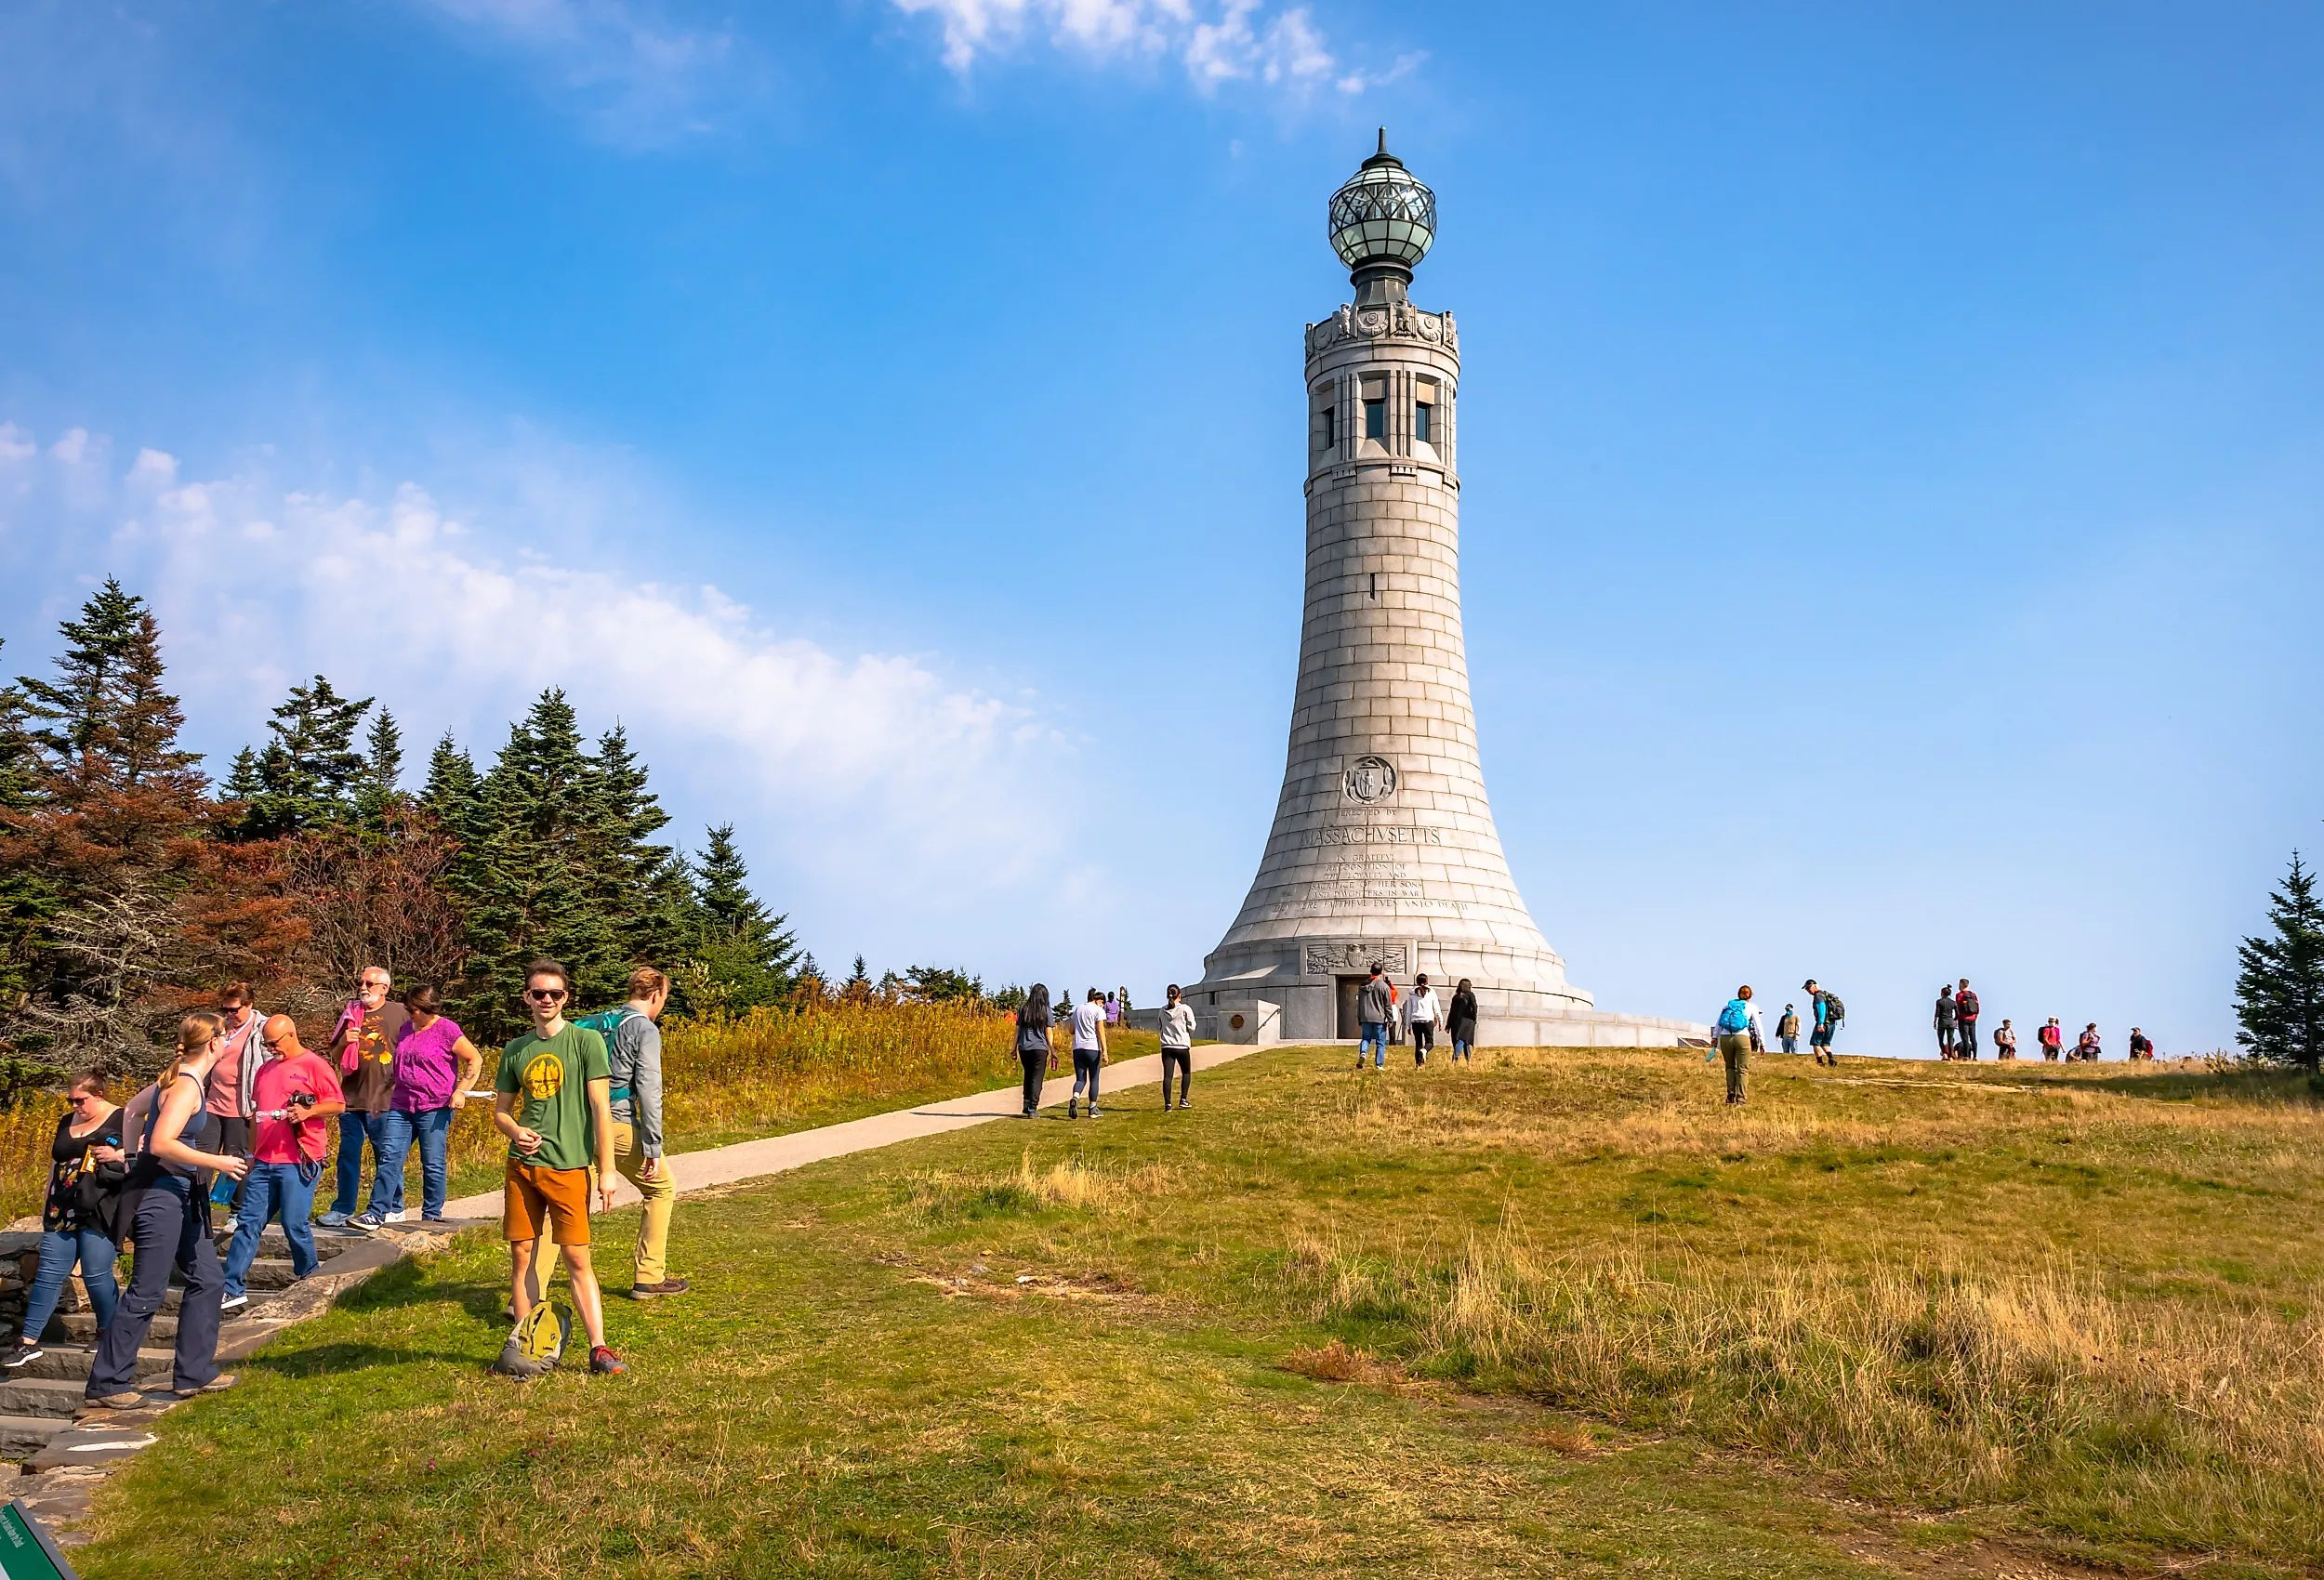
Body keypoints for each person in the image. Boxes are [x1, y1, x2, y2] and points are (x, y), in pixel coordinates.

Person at [85, 1013, 248, 1407]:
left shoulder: (174, 1077)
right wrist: (216, 1162)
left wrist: (126, 1156)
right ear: (213, 1043)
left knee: (208, 1279)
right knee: (148, 1289)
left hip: (182, 1191)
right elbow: (160, 1142)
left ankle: (193, 1373)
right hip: (160, 1193)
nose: (228, 1043)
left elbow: (130, 1113)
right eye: (225, 1037)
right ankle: (107, 1383)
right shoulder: (186, 1085)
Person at [494, 959, 623, 1376]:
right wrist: (515, 1131)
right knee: (522, 1253)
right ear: (526, 998)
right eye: (538, 993)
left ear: (566, 998)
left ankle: (599, 1348)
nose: (546, 1000)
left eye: (555, 994)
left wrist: (607, 1170)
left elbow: (602, 1108)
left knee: (576, 1257)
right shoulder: (515, 1049)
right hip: (522, 1167)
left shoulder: (586, 1042)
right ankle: (525, 1346)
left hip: (568, 1168)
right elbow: (501, 1112)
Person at [220, 1015, 345, 1313]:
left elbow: (338, 1104)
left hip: (299, 1159)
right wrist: (251, 1156)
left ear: (291, 1035)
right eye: (266, 1044)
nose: (270, 1048)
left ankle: (309, 1273)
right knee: (248, 1223)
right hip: (264, 1161)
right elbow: (256, 1117)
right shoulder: (264, 1070)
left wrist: (307, 1112)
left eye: (274, 1043)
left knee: (294, 1223)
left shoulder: (313, 1065)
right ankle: (231, 1288)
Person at [8, 1073, 126, 1371]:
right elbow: (56, 1161)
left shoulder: (122, 1118)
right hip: (60, 1208)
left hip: (98, 1207)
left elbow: (141, 1154)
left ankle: (109, 1331)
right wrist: (46, 1197)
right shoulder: (67, 1121)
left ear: (99, 1094)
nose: (75, 1105)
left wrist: (118, 1154)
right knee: (48, 1273)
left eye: (80, 1100)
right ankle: (28, 1342)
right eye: (70, 1100)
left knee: (96, 1274)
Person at [374, 983, 484, 1227]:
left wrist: (461, 1091)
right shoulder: (405, 1029)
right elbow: (398, 1067)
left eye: (413, 1010)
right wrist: (380, 1095)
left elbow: (474, 1059)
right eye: (408, 1009)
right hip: (402, 1105)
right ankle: (376, 1210)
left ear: (427, 1009)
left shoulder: (447, 1030)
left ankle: (431, 1214)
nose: (409, 1014)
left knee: (432, 1161)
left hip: (434, 1106)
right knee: (389, 1156)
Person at [606, 968, 685, 1299]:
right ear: (656, 995)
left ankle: (526, 1291)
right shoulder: (644, 1029)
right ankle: (649, 1275)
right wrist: (652, 1143)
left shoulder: (603, 1022)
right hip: (618, 1125)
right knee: (662, 1189)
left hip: (582, 1124)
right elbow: (650, 1089)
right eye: (664, 998)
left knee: (567, 1204)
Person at [324, 966, 408, 1229]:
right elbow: (336, 1058)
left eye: (369, 984)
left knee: (386, 1154)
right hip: (351, 1097)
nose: (363, 988)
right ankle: (343, 1209)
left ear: (384, 988)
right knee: (348, 1155)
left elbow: (414, 1046)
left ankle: (394, 1207)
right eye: (361, 982)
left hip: (385, 1098)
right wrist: (344, 1043)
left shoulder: (400, 1013)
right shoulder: (351, 1013)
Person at [205, 982, 263, 1234]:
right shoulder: (218, 1027)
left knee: (237, 1158)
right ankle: (198, 1210)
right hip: (211, 1101)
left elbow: (268, 1066)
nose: (229, 1014)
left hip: (241, 1105)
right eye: (225, 1009)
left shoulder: (261, 1028)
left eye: (234, 1010)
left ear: (249, 1005)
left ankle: (237, 1211)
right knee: (203, 1156)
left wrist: (259, 1102)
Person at [1013, 984, 1053, 1118]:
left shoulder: (1023, 1008)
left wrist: (1013, 1048)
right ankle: (1033, 1107)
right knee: (1037, 1078)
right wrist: (1052, 1049)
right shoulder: (1046, 1010)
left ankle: (1026, 1102)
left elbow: (1017, 1030)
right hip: (1040, 1048)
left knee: (1028, 1075)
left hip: (1024, 1047)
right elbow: (1048, 1031)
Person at [1068, 988, 1108, 1119]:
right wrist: (1105, 1051)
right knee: (1094, 1078)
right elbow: (1100, 1031)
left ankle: (1075, 1096)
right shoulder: (1098, 1011)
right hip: (1092, 1048)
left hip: (1078, 1048)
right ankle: (1092, 1108)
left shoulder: (1078, 1009)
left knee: (1080, 1079)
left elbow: (1071, 1030)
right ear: (1099, 1000)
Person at [1712, 986, 1754, 1105]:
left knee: (1730, 1067)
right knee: (1743, 1070)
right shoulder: (1751, 1007)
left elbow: (1718, 1022)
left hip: (1726, 1038)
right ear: (1750, 996)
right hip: (1742, 1037)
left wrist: (1715, 1037)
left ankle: (1731, 1094)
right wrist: (1762, 1043)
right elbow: (1757, 1025)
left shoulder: (1728, 1005)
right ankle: (1741, 1099)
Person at [1158, 984, 1195, 1110]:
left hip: (1167, 1046)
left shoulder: (1162, 1010)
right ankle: (1183, 1099)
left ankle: (1168, 1104)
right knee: (1186, 1072)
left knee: (1168, 1076)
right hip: (1181, 1044)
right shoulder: (1185, 1009)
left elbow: (1160, 1026)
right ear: (1179, 995)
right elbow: (1192, 1026)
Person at [1357, 965, 1393, 1070]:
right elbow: (1388, 1004)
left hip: (1365, 1016)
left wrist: (1359, 1017)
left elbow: (1359, 1004)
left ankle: (1363, 1052)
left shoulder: (1362, 986)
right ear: (1381, 972)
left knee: (1365, 1038)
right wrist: (1390, 1018)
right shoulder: (1384, 986)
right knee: (1380, 1042)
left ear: (1370, 971)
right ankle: (1379, 1064)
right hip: (1379, 1017)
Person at [1406, 974, 1441, 1066]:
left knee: (1418, 1043)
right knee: (1430, 1042)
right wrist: (1440, 1020)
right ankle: (1424, 1051)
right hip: (1427, 1020)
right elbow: (1436, 1008)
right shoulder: (1431, 991)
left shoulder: (1412, 992)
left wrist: (1408, 1025)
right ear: (1426, 981)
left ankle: (1418, 1064)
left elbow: (1408, 1010)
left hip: (1415, 1021)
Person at [1803, 979, 1841, 1065]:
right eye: (1807, 989)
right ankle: (1831, 1060)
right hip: (1832, 1022)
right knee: (1825, 1043)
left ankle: (1820, 1063)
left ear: (1815, 986)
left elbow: (1822, 1009)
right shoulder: (1825, 995)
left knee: (1815, 1042)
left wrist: (1820, 1023)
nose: (1808, 991)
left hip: (1823, 1022)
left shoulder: (1818, 996)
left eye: (1809, 988)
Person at [1446, 979, 1478, 1063]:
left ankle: (1468, 1059)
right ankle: (1455, 1058)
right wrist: (1474, 1016)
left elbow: (1452, 1011)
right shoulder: (1470, 995)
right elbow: (1475, 1006)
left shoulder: (1456, 997)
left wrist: (1448, 1025)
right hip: (1468, 1021)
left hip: (1456, 1021)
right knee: (1462, 1040)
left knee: (1464, 1040)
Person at [1955, 979, 1981, 1060]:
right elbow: (1978, 1008)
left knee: (1965, 1038)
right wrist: (1975, 1017)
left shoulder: (1959, 995)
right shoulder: (1973, 994)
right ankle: (1975, 1056)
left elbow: (1958, 1008)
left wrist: (1956, 1019)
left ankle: (1966, 1056)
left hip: (1963, 1018)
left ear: (1962, 984)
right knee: (1973, 1038)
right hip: (1972, 1019)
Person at [1933, 984, 1957, 1060]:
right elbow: (1957, 1013)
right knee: (1950, 1039)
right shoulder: (1953, 1002)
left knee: (1940, 1039)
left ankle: (1944, 1052)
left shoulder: (1939, 1002)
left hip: (1942, 1022)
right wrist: (1954, 1020)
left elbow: (1937, 1013)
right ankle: (1952, 1054)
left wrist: (1935, 1021)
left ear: (1942, 993)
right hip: (1950, 1021)